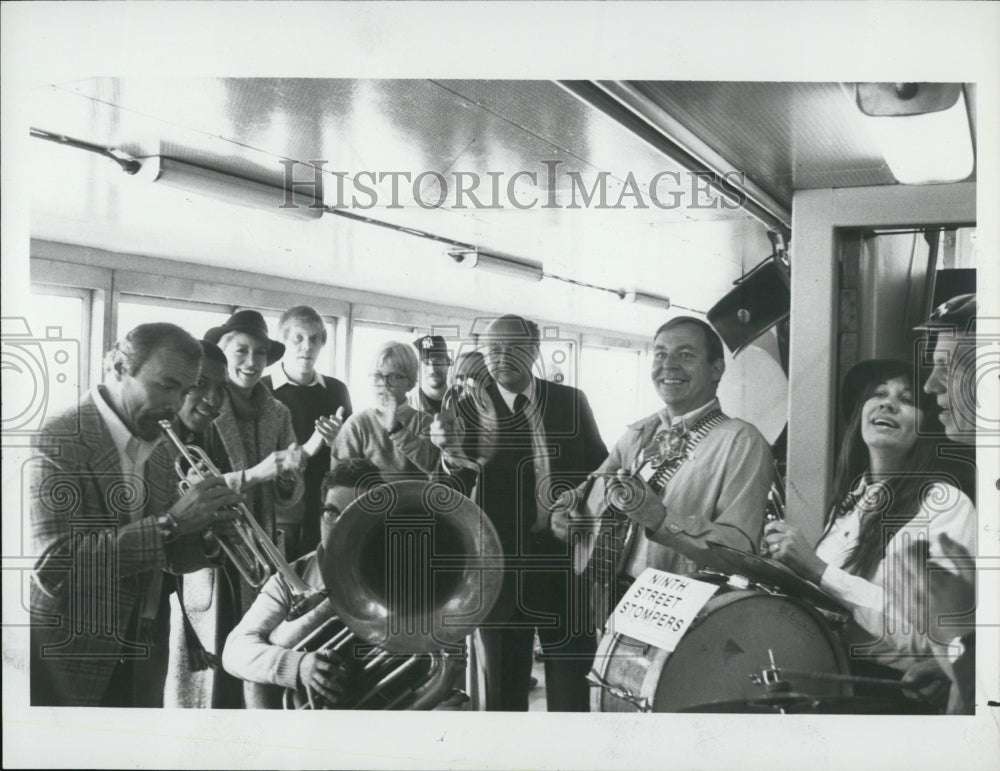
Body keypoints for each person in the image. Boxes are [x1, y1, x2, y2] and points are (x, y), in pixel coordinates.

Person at [29, 323, 241, 706]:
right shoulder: (60, 437)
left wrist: (208, 536)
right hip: (71, 655)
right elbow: (53, 567)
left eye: (184, 390)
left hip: (142, 651)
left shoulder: (160, 448)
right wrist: (172, 523)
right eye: (165, 385)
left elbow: (166, 557)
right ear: (118, 367)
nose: (175, 405)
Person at [763, 358, 976, 710]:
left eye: (906, 400)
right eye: (878, 393)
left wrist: (817, 570)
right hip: (828, 673)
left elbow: (929, 639)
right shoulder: (852, 500)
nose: (888, 403)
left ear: (927, 428)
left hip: (892, 694)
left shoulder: (946, 504)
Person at [431, 314, 608, 712]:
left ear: (534, 350)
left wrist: (586, 510)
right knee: (503, 699)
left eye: (513, 347)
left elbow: (600, 469)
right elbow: (445, 495)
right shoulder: (465, 410)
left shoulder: (570, 402)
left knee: (573, 694)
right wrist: (449, 457)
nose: (501, 357)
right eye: (493, 349)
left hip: (566, 567)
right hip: (500, 572)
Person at [551, 317, 773, 595]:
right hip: (610, 598)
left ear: (716, 369)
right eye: (660, 354)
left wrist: (660, 519)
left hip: (686, 609)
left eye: (686, 355)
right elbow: (591, 489)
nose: (669, 365)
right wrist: (567, 508)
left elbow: (741, 554)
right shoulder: (640, 431)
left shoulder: (741, 441)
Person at [222, 460, 385, 708]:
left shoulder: (401, 573)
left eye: (356, 515)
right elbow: (234, 651)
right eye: (332, 513)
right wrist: (298, 666)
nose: (340, 526)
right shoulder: (291, 577)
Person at [163, 340, 244, 708]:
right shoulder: (157, 440)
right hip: (160, 593)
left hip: (185, 580)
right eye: (200, 384)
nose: (213, 399)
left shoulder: (207, 435)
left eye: (221, 388)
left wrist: (215, 534)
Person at [205, 310, 305, 563]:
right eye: (241, 350)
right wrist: (257, 474)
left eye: (260, 352)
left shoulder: (279, 413)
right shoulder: (203, 408)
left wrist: (287, 477)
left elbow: (290, 497)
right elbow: (190, 489)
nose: (252, 362)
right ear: (222, 353)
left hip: (264, 549)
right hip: (216, 547)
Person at [264, 306, 352, 559]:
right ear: (283, 341)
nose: (307, 346)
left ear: (323, 342)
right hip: (280, 516)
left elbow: (349, 459)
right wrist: (311, 446)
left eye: (315, 339)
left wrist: (338, 442)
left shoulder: (337, 390)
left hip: (325, 510)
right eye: (298, 338)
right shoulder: (263, 390)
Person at [332, 340, 440, 478]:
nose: (384, 384)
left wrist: (396, 430)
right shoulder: (357, 424)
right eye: (377, 376)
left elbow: (433, 466)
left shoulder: (424, 422)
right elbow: (339, 479)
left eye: (394, 377)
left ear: (410, 383)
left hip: (414, 498)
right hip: (367, 497)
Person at [410, 334, 451, 415]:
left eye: (437, 361)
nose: (432, 369)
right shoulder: (407, 406)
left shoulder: (462, 402)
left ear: (448, 363)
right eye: (425, 363)